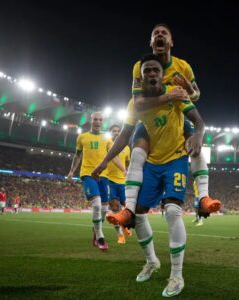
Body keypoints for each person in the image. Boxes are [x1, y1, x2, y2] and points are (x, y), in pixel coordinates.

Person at [93, 54, 205, 297]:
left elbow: (198, 118)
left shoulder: (176, 92)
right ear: (140, 78)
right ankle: (152, 261)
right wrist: (103, 162)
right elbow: (124, 136)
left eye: (155, 70)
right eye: (147, 72)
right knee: (138, 216)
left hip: (175, 158)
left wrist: (198, 133)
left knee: (173, 211)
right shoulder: (135, 105)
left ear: (161, 74)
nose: (152, 74)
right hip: (152, 164)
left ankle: (176, 275)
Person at [106, 23, 221, 227]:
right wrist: (169, 96)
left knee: (193, 142)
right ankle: (129, 209)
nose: (159, 35)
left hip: (176, 116)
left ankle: (203, 197)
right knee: (137, 150)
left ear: (170, 42)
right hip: (148, 118)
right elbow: (138, 103)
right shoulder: (138, 67)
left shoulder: (183, 66)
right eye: (155, 33)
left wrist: (189, 91)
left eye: (164, 33)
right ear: (151, 42)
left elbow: (196, 95)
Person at [67, 112, 126, 251]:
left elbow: (114, 156)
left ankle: (95, 231)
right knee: (97, 205)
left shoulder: (107, 139)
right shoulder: (82, 137)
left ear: (102, 122)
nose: (98, 122)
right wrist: (71, 171)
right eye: (95, 119)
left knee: (105, 208)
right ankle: (100, 237)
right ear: (91, 120)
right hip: (88, 174)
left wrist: (124, 169)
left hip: (103, 176)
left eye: (100, 120)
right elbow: (77, 156)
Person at [106, 124, 132, 244]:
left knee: (126, 208)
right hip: (110, 181)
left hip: (123, 182)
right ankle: (120, 235)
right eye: (114, 131)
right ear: (110, 133)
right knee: (115, 208)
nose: (116, 133)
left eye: (118, 131)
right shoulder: (106, 145)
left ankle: (125, 227)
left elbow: (128, 164)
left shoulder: (126, 148)